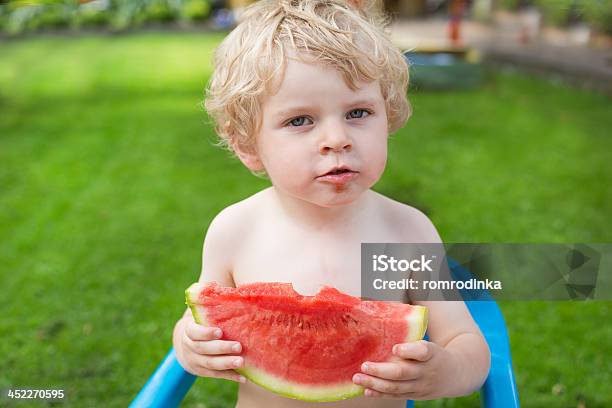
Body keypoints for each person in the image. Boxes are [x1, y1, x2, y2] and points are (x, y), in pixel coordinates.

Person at [173, 0, 490, 406]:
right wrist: (190, 343)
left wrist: (448, 371)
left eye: (358, 112)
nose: (337, 138)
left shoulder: (407, 233)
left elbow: (467, 343)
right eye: (300, 121)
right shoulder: (235, 231)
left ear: (388, 116)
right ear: (248, 147)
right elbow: (198, 316)